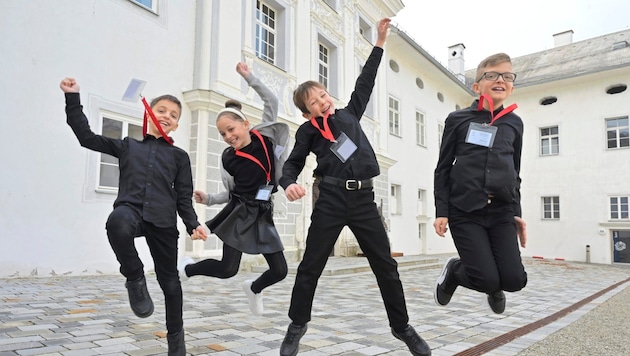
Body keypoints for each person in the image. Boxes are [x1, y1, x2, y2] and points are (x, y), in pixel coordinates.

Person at [278, 18, 431, 356]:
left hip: (363, 199)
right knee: (310, 266)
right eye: (314, 102)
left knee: (386, 266)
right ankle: (296, 325)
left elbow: (367, 80)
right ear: (306, 113)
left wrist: (379, 42)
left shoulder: (349, 114)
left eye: (323, 94)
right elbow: (291, 164)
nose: (322, 101)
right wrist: (288, 183)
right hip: (330, 198)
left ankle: (402, 326)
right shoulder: (308, 133)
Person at [60, 77, 207, 356]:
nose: (167, 117)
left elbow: (183, 196)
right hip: (132, 211)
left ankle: (176, 341)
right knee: (117, 221)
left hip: (163, 222)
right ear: (149, 114)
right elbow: (86, 137)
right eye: (162, 110)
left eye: (174, 115)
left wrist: (193, 224)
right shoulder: (128, 146)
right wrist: (72, 97)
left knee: (171, 285)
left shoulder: (179, 157)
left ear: (176, 125)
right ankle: (134, 277)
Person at [178, 62, 289, 317]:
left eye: (231, 129)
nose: (228, 136)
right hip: (239, 213)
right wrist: (209, 199)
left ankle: (254, 288)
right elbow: (231, 192)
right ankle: (187, 269)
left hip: (262, 211)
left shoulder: (265, 138)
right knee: (228, 269)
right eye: (222, 133)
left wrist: (249, 76)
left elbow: (271, 100)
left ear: (246, 124)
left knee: (280, 270)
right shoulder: (229, 158)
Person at [432, 53, 528, 315]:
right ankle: (455, 271)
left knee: (515, 280)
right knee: (486, 278)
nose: (500, 79)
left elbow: (514, 170)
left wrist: (517, 213)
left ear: (511, 85)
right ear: (477, 86)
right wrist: (442, 210)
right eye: (492, 75)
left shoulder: (514, 123)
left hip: (502, 211)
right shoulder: (458, 120)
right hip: (465, 210)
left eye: (507, 76)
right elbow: (443, 167)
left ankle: (493, 283)